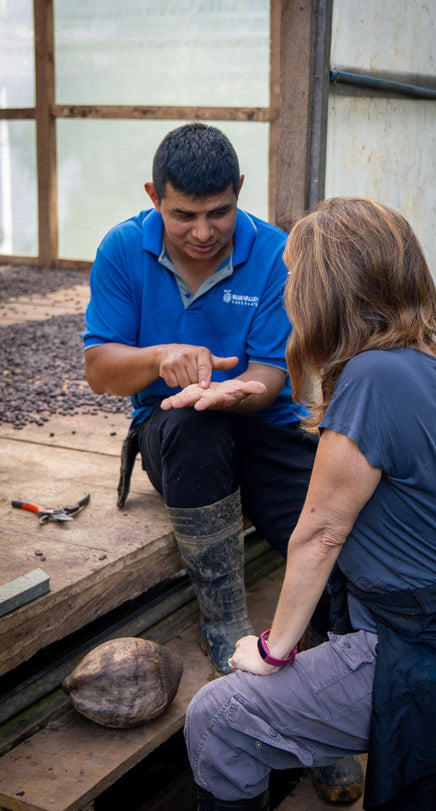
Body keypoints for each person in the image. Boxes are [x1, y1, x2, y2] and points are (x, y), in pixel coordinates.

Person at [183, 197, 436, 811]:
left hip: (424, 650)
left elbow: (319, 534)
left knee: (218, 716)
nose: (284, 289)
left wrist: (270, 650)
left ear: (324, 290)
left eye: (293, 276)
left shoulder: (371, 377)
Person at [83, 122, 318, 676]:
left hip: (264, 426)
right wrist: (158, 357)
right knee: (193, 420)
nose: (203, 231)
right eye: (183, 215)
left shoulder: (275, 254)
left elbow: (271, 374)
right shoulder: (121, 249)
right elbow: (99, 371)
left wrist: (234, 394)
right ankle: (224, 618)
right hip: (175, 435)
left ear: (238, 188)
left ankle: (336, 663)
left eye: (219, 211)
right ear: (153, 197)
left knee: (328, 532)